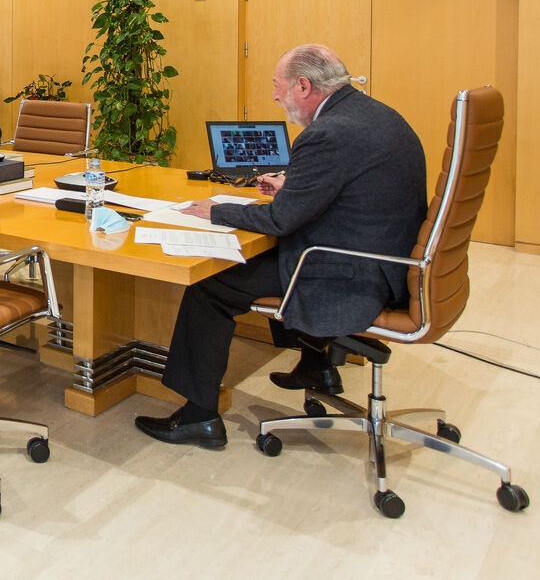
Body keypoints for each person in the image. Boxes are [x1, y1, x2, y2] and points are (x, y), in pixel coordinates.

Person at [133, 44, 427, 450]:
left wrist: (216, 210)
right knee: (275, 253)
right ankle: (316, 365)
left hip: (352, 273)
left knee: (211, 284)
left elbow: (280, 221)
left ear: (303, 86)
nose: (275, 95)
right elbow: (353, 188)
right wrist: (296, 186)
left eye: (278, 86)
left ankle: (198, 417)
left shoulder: (327, 133)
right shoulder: (374, 114)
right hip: (388, 261)